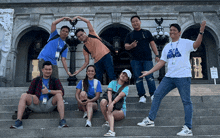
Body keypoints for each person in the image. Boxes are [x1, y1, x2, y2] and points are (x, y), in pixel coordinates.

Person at [137, 21, 206, 136]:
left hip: (183, 76)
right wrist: (149, 72)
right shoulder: (167, 46)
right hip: (169, 77)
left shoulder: (185, 42)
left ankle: (188, 128)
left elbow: (197, 44)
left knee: (186, 101)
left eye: (174, 30)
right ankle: (150, 120)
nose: (171, 32)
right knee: (157, 94)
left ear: (179, 32)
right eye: (170, 30)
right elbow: (161, 63)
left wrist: (201, 31)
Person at [10, 61, 68, 129]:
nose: (48, 71)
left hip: (49, 105)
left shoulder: (55, 80)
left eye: (49, 69)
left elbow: (62, 92)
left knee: (59, 95)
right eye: (46, 69)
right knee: (23, 95)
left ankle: (62, 121)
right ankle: (18, 121)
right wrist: (33, 96)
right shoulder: (36, 80)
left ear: (52, 70)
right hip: (36, 104)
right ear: (42, 70)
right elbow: (29, 93)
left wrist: (49, 91)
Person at [124, 15, 159, 103]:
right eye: (133, 22)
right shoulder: (130, 35)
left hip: (147, 59)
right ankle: (141, 95)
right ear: (131, 24)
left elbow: (152, 44)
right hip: (135, 60)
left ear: (140, 22)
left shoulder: (146, 32)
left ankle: (153, 94)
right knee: (138, 78)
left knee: (149, 77)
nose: (135, 23)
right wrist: (131, 45)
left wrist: (157, 55)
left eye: (136, 21)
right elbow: (126, 46)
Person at [73, 16, 116, 83]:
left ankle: (115, 90)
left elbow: (88, 21)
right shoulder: (85, 48)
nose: (81, 37)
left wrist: (78, 17)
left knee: (111, 74)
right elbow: (86, 62)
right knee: (97, 78)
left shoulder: (92, 34)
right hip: (97, 61)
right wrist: (78, 71)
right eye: (78, 37)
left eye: (81, 34)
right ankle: (97, 92)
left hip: (106, 55)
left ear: (85, 33)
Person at [100, 69, 132, 137]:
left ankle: (112, 131)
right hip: (111, 104)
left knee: (110, 112)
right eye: (123, 73)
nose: (123, 76)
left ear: (127, 79)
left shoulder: (126, 87)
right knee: (103, 102)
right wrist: (110, 102)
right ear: (120, 73)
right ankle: (107, 121)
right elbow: (109, 92)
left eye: (126, 76)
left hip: (120, 109)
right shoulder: (113, 82)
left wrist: (112, 104)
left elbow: (120, 96)